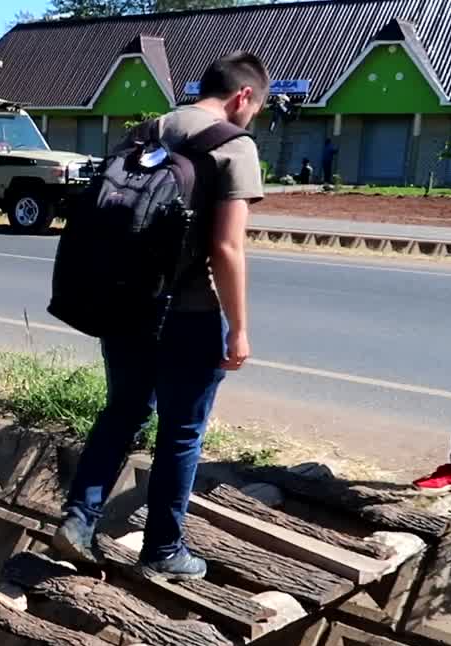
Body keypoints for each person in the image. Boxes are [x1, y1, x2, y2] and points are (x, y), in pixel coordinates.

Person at [53, 51, 268, 581]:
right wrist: (239, 328)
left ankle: (79, 520)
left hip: (123, 303)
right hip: (189, 313)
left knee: (122, 411)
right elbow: (226, 248)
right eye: (256, 108)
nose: (254, 117)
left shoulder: (146, 131)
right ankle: (165, 549)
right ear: (243, 96)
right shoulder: (235, 146)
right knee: (181, 432)